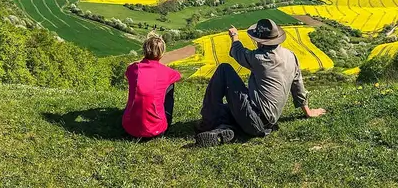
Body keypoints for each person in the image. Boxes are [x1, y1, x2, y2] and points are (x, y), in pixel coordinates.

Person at [195, 19, 326, 147]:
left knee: (224, 69)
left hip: (254, 117)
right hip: (267, 123)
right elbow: (298, 86)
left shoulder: (259, 58)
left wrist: (234, 36)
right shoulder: (291, 56)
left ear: (261, 42)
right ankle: (223, 130)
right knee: (226, 108)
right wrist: (308, 111)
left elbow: (237, 52)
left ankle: (207, 123)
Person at [122, 34, 182, 139]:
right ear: (162, 53)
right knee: (170, 84)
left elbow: (128, 71)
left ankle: (134, 112)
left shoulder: (133, 68)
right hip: (157, 130)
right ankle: (167, 118)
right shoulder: (166, 72)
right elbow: (178, 75)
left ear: (144, 50)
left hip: (129, 128)